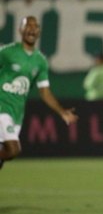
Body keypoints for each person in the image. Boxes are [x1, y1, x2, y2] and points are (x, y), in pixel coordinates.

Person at [0, 16, 78, 169]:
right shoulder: (7, 52)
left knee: (4, 155)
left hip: (17, 113)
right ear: (20, 29)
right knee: (13, 149)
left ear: (39, 32)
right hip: (2, 108)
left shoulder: (40, 61)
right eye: (28, 26)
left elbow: (45, 92)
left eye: (35, 27)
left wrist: (62, 112)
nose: (32, 29)